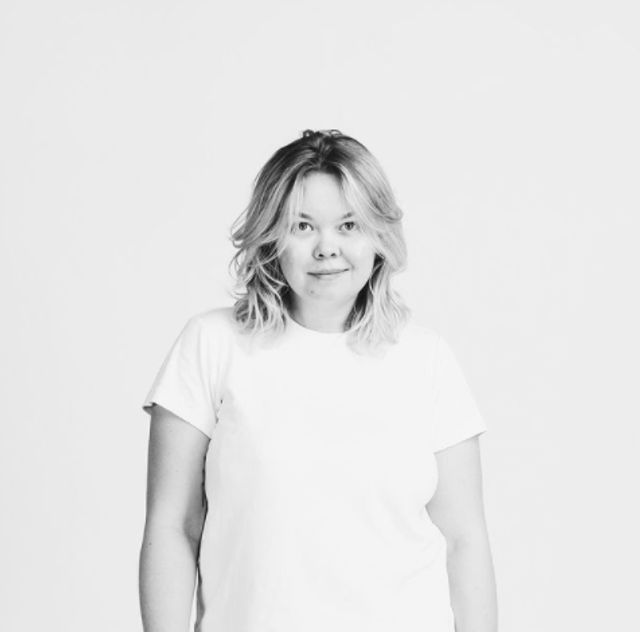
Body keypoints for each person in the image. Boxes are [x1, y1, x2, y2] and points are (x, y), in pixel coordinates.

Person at [139, 129, 498, 632]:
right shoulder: (211, 344)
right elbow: (173, 526)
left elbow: (464, 540)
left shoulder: (427, 359)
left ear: (378, 236)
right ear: (271, 237)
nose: (327, 248)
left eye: (349, 225)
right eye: (303, 226)